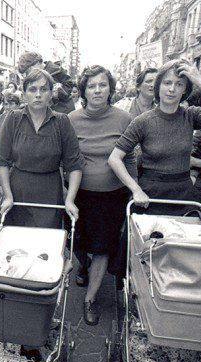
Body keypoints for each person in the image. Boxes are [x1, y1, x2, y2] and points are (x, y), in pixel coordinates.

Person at [108, 59, 201, 216]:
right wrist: (136, 189)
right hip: (149, 196)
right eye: (167, 83)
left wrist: (200, 81)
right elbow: (114, 158)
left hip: (183, 196)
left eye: (179, 84)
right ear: (158, 86)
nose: (172, 89)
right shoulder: (143, 121)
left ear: (185, 90)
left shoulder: (191, 115)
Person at [69, 65, 134, 326]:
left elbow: (130, 158)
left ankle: (90, 298)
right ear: (83, 91)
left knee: (103, 246)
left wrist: (133, 190)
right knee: (76, 242)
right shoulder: (71, 119)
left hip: (111, 196)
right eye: (91, 86)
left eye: (102, 85)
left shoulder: (124, 119)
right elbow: (65, 158)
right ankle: (83, 264)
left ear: (110, 89)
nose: (97, 90)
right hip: (78, 195)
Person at [0, 68, 84, 228]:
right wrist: (8, 196)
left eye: (43, 89)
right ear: (24, 94)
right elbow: (2, 161)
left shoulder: (62, 122)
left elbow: (74, 165)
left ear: (51, 94)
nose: (38, 94)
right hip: (17, 193)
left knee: (46, 240)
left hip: (50, 193)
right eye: (32, 89)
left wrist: (70, 200)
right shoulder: (13, 119)